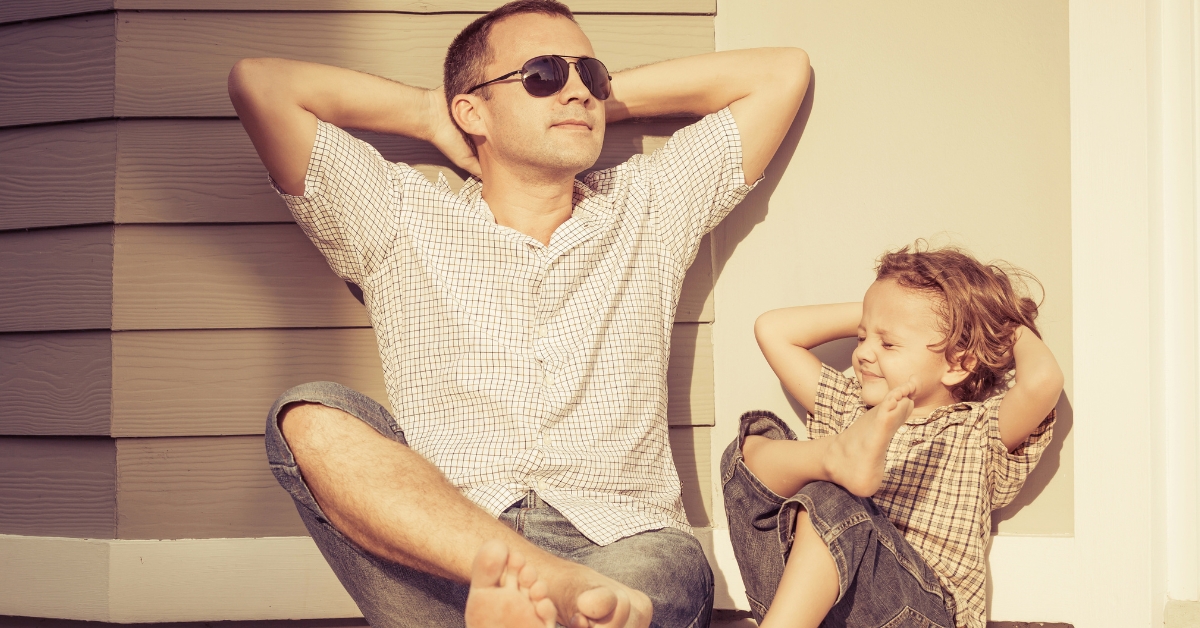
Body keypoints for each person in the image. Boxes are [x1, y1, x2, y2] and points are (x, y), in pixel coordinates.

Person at [225, 0, 811, 626]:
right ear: (472, 110)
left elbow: (781, 73)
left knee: (630, 588)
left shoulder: (649, 208)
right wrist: (431, 112)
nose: (579, 92)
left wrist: (589, 97)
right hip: (448, 557)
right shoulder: (399, 218)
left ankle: (543, 602)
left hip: (622, 545)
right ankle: (543, 589)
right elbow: (262, 86)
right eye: (543, 75)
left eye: (592, 74)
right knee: (310, 413)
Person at [722, 244, 1064, 628]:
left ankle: (834, 466)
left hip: (917, 613)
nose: (864, 353)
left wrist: (1001, 324)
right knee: (747, 449)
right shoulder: (848, 406)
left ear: (960, 362)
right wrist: (882, 311)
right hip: (821, 611)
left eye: (887, 343)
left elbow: (1043, 382)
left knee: (829, 499)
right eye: (862, 337)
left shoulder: (977, 430)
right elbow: (773, 330)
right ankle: (834, 458)